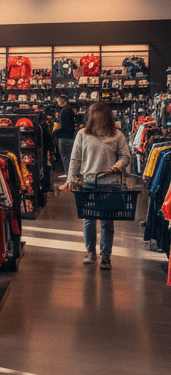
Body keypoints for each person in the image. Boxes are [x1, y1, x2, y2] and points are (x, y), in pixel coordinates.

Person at [59, 102, 130, 270]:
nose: (96, 117)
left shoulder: (117, 135)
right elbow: (75, 159)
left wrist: (118, 165)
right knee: (88, 220)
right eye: (94, 114)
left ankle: (106, 257)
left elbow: (125, 156)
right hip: (89, 183)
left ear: (107, 116)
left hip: (110, 184)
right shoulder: (82, 134)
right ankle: (90, 252)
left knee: (107, 222)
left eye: (99, 114)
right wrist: (70, 179)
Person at [53, 95, 76, 176]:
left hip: (64, 136)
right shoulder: (68, 109)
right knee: (68, 156)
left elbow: (63, 126)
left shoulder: (64, 110)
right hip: (69, 135)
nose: (58, 102)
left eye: (59, 100)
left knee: (65, 157)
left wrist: (55, 132)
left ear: (63, 100)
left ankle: (68, 174)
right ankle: (69, 174)